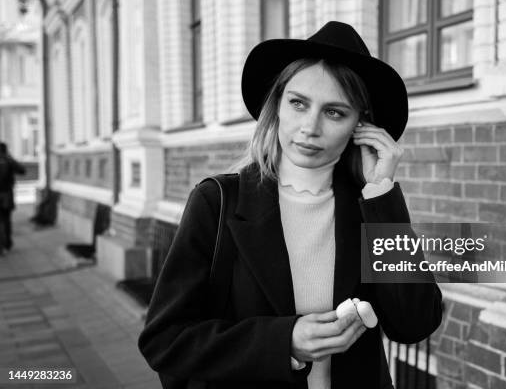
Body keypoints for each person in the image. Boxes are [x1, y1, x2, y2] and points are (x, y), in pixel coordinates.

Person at [138, 21, 443, 388]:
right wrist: (284, 342)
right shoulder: (217, 201)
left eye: (334, 112)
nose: (309, 127)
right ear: (278, 106)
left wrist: (381, 193)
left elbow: (414, 323)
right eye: (298, 104)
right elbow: (164, 339)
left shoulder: (369, 208)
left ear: (359, 125)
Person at [0, 142, 26, 251]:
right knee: (6, 220)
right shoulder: (8, 161)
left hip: (5, 194)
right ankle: (7, 243)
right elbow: (22, 170)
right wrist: (10, 158)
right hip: (6, 195)